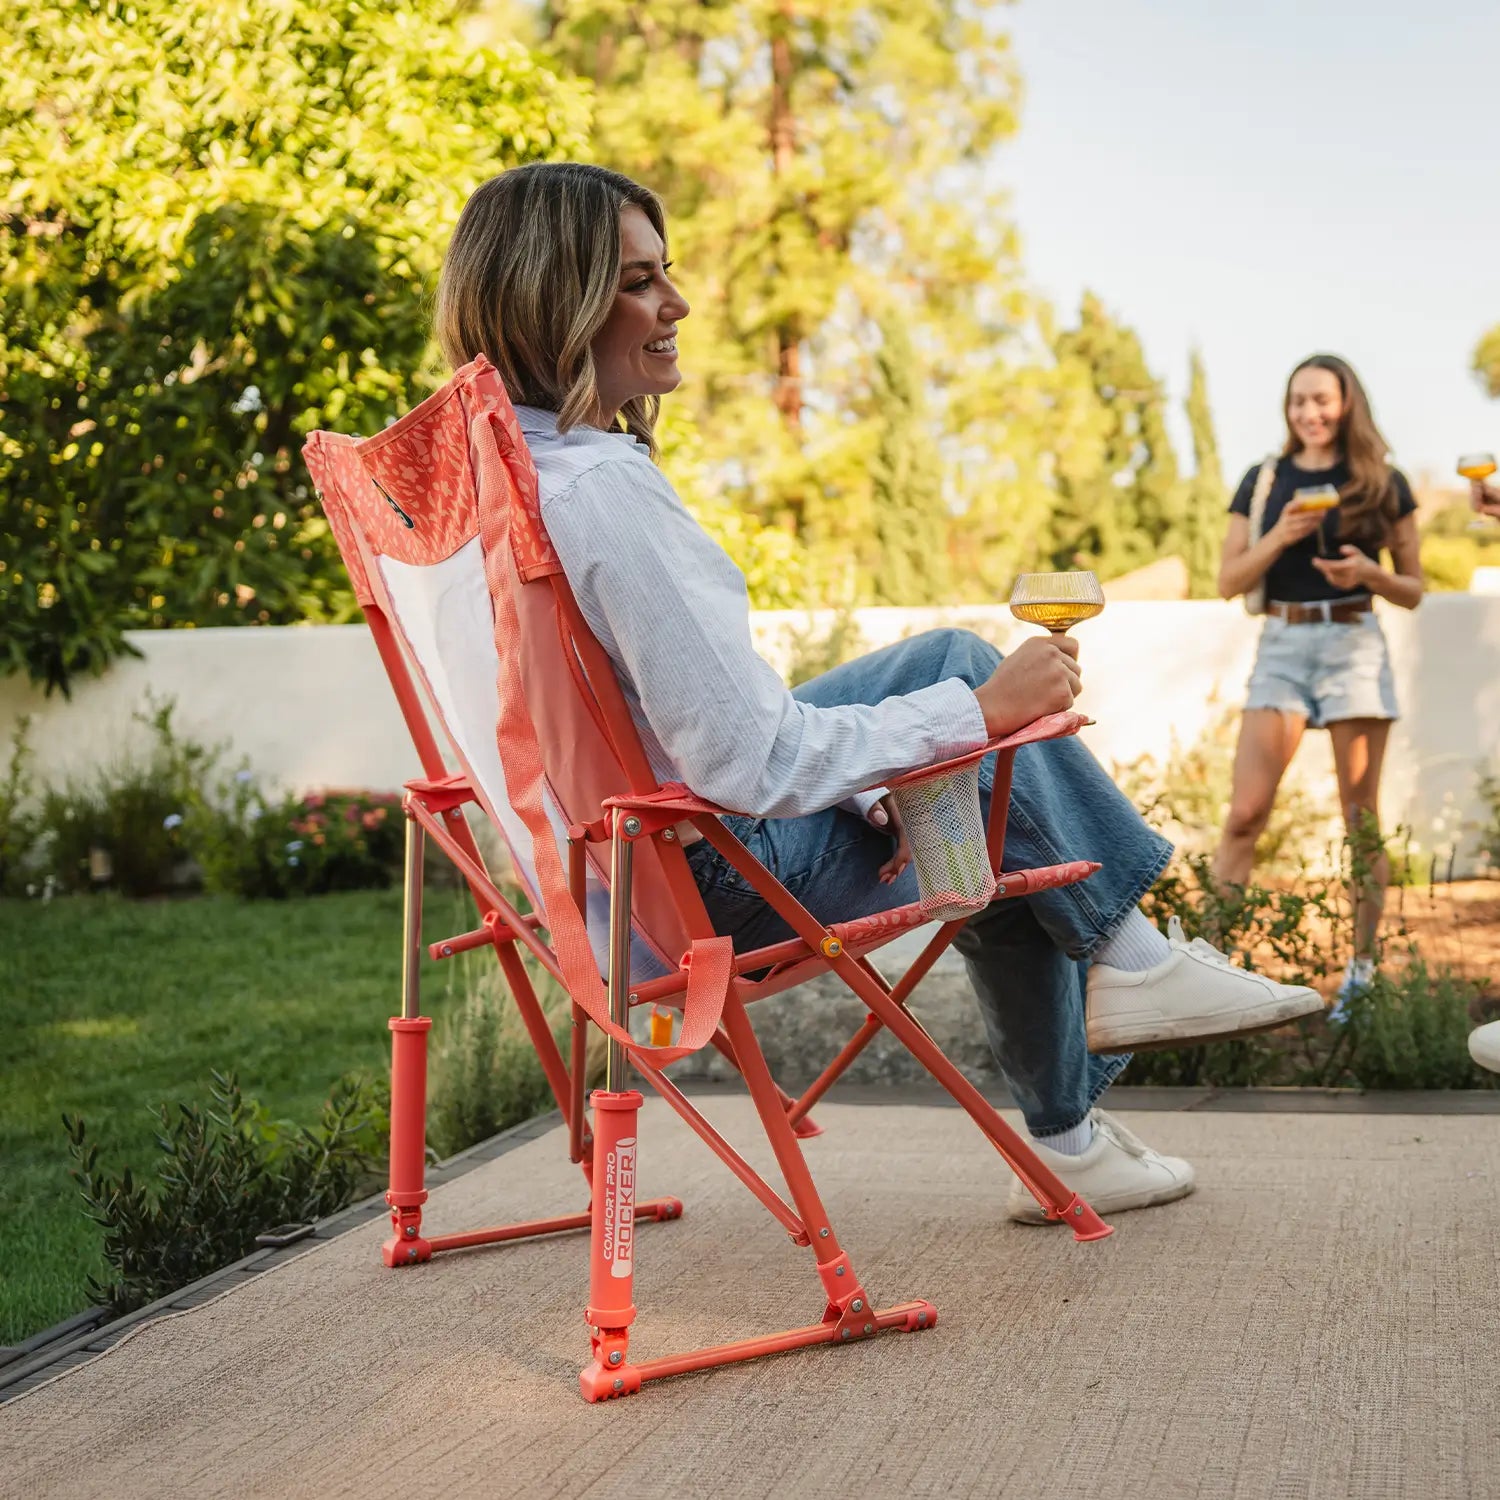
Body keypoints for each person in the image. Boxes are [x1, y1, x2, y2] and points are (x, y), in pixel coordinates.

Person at [434, 162, 1321, 1221]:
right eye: (638, 281)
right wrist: (976, 720)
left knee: (962, 736)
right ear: (554, 302)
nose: (676, 304)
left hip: (605, 890)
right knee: (977, 769)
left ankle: (1109, 1025)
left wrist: (914, 754)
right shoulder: (602, 489)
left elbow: (669, 740)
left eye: (666, 273)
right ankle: (1097, 1051)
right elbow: (746, 765)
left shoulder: (495, 489)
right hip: (711, 892)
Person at [1212, 355, 1424, 1012]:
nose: (1310, 412)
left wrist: (1369, 572)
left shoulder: (1382, 482)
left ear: (1347, 403)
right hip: (1282, 642)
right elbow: (1228, 581)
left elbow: (1414, 589)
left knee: (1359, 822)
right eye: (1299, 400)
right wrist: (1282, 534)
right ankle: (1210, 972)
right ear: (1288, 407)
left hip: (1355, 642)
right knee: (1245, 814)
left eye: (1322, 400)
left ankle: (1359, 978)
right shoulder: (1264, 479)